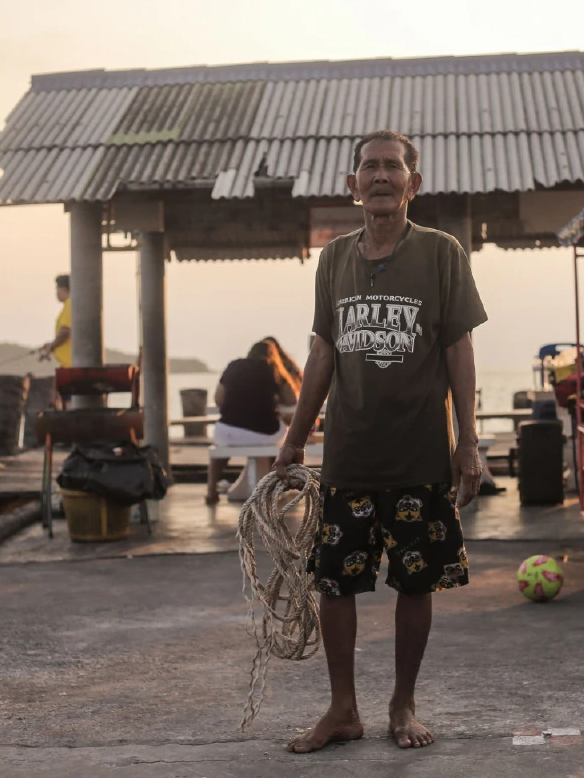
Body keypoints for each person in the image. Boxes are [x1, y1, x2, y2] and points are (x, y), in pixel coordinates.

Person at [273, 130, 487, 753]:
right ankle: (343, 710)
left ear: (414, 184)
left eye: (394, 167)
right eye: (370, 167)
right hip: (349, 456)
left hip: (420, 454)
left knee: (414, 582)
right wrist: (293, 440)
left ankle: (402, 704)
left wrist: (467, 441)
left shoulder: (442, 253)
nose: (382, 176)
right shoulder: (334, 258)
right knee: (335, 583)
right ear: (352, 185)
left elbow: (459, 349)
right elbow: (321, 353)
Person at [205, 341, 291, 504]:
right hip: (264, 434)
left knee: (222, 446)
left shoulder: (233, 366)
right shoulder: (271, 368)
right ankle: (274, 486)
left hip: (227, 432)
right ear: (273, 356)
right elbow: (291, 398)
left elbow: (218, 399)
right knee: (281, 438)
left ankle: (211, 490)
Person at [37, 274, 72, 368]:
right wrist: (51, 345)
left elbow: (65, 331)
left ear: (64, 289)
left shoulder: (70, 305)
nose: (56, 293)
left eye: (57, 289)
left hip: (69, 364)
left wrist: (51, 346)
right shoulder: (69, 305)